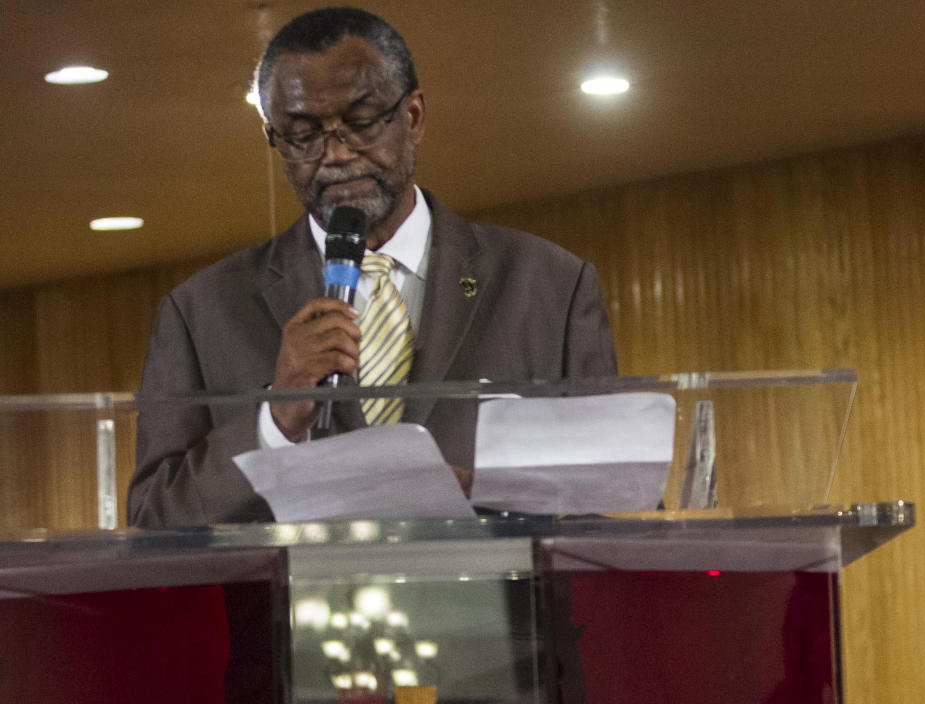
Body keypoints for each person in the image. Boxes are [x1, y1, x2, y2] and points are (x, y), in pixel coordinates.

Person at [127, 6, 617, 529]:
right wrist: (275, 419)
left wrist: (490, 488)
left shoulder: (550, 285)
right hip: (292, 610)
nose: (335, 154)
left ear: (413, 117)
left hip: (505, 606)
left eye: (360, 123)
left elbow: (617, 500)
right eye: (301, 135)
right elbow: (155, 520)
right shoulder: (201, 312)